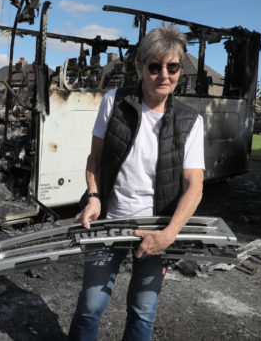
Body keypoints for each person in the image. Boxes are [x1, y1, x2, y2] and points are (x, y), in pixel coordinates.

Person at [68, 23, 205, 341]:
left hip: (156, 229)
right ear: (140, 67)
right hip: (108, 222)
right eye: (155, 67)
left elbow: (194, 186)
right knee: (91, 306)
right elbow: (95, 159)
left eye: (172, 67)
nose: (164, 75)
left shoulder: (190, 121)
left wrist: (168, 235)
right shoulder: (115, 101)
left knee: (143, 312)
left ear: (180, 70)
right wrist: (94, 196)